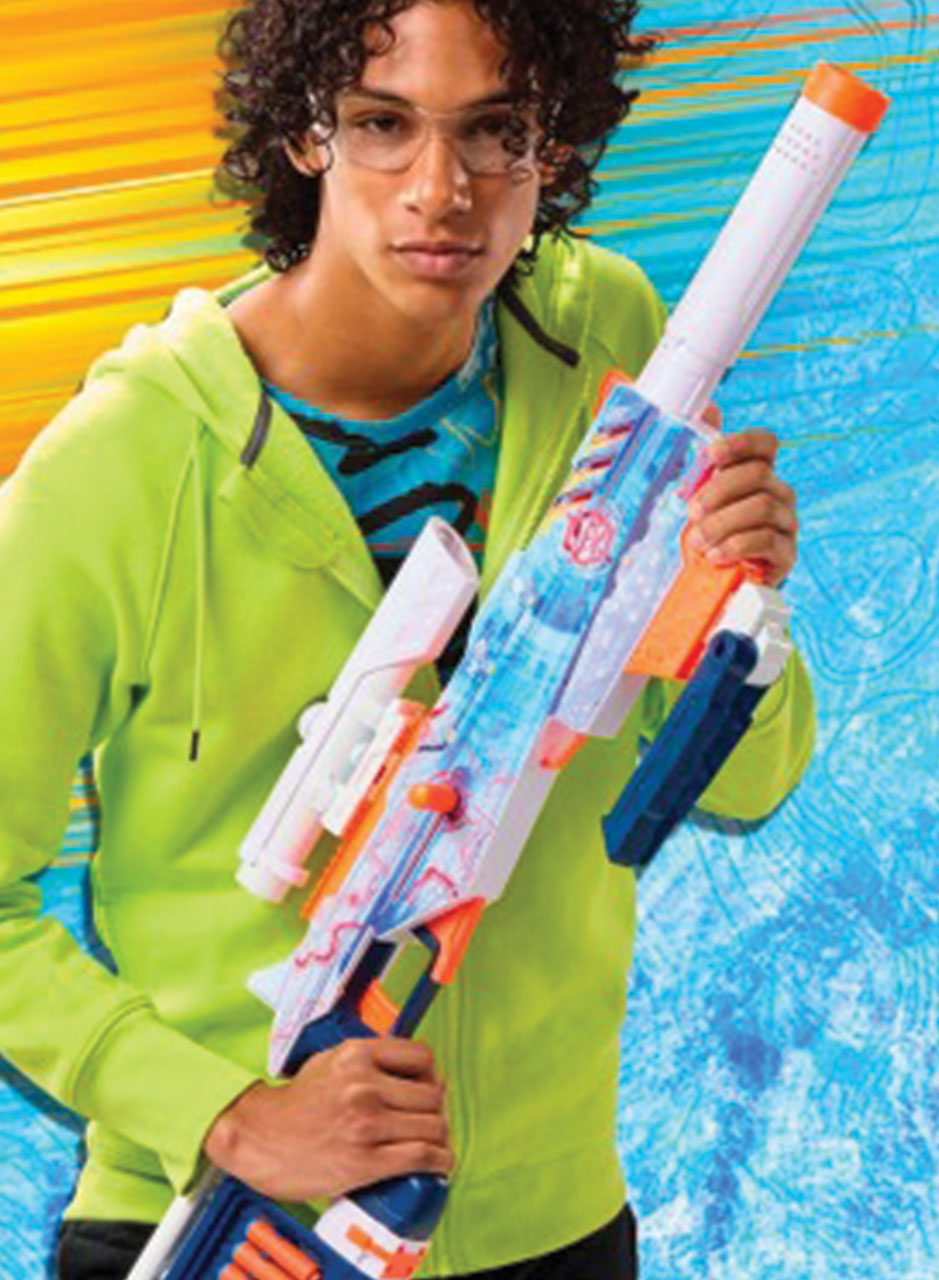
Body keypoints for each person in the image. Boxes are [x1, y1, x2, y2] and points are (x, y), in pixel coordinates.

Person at [0, 1, 815, 1277]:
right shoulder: (122, 465)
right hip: (227, 1219)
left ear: (555, 141)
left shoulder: (608, 341)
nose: (443, 191)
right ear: (305, 133)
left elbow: (752, 781)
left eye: (495, 130)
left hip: (551, 1225)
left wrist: (733, 603)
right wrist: (225, 1112)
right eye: (383, 125)